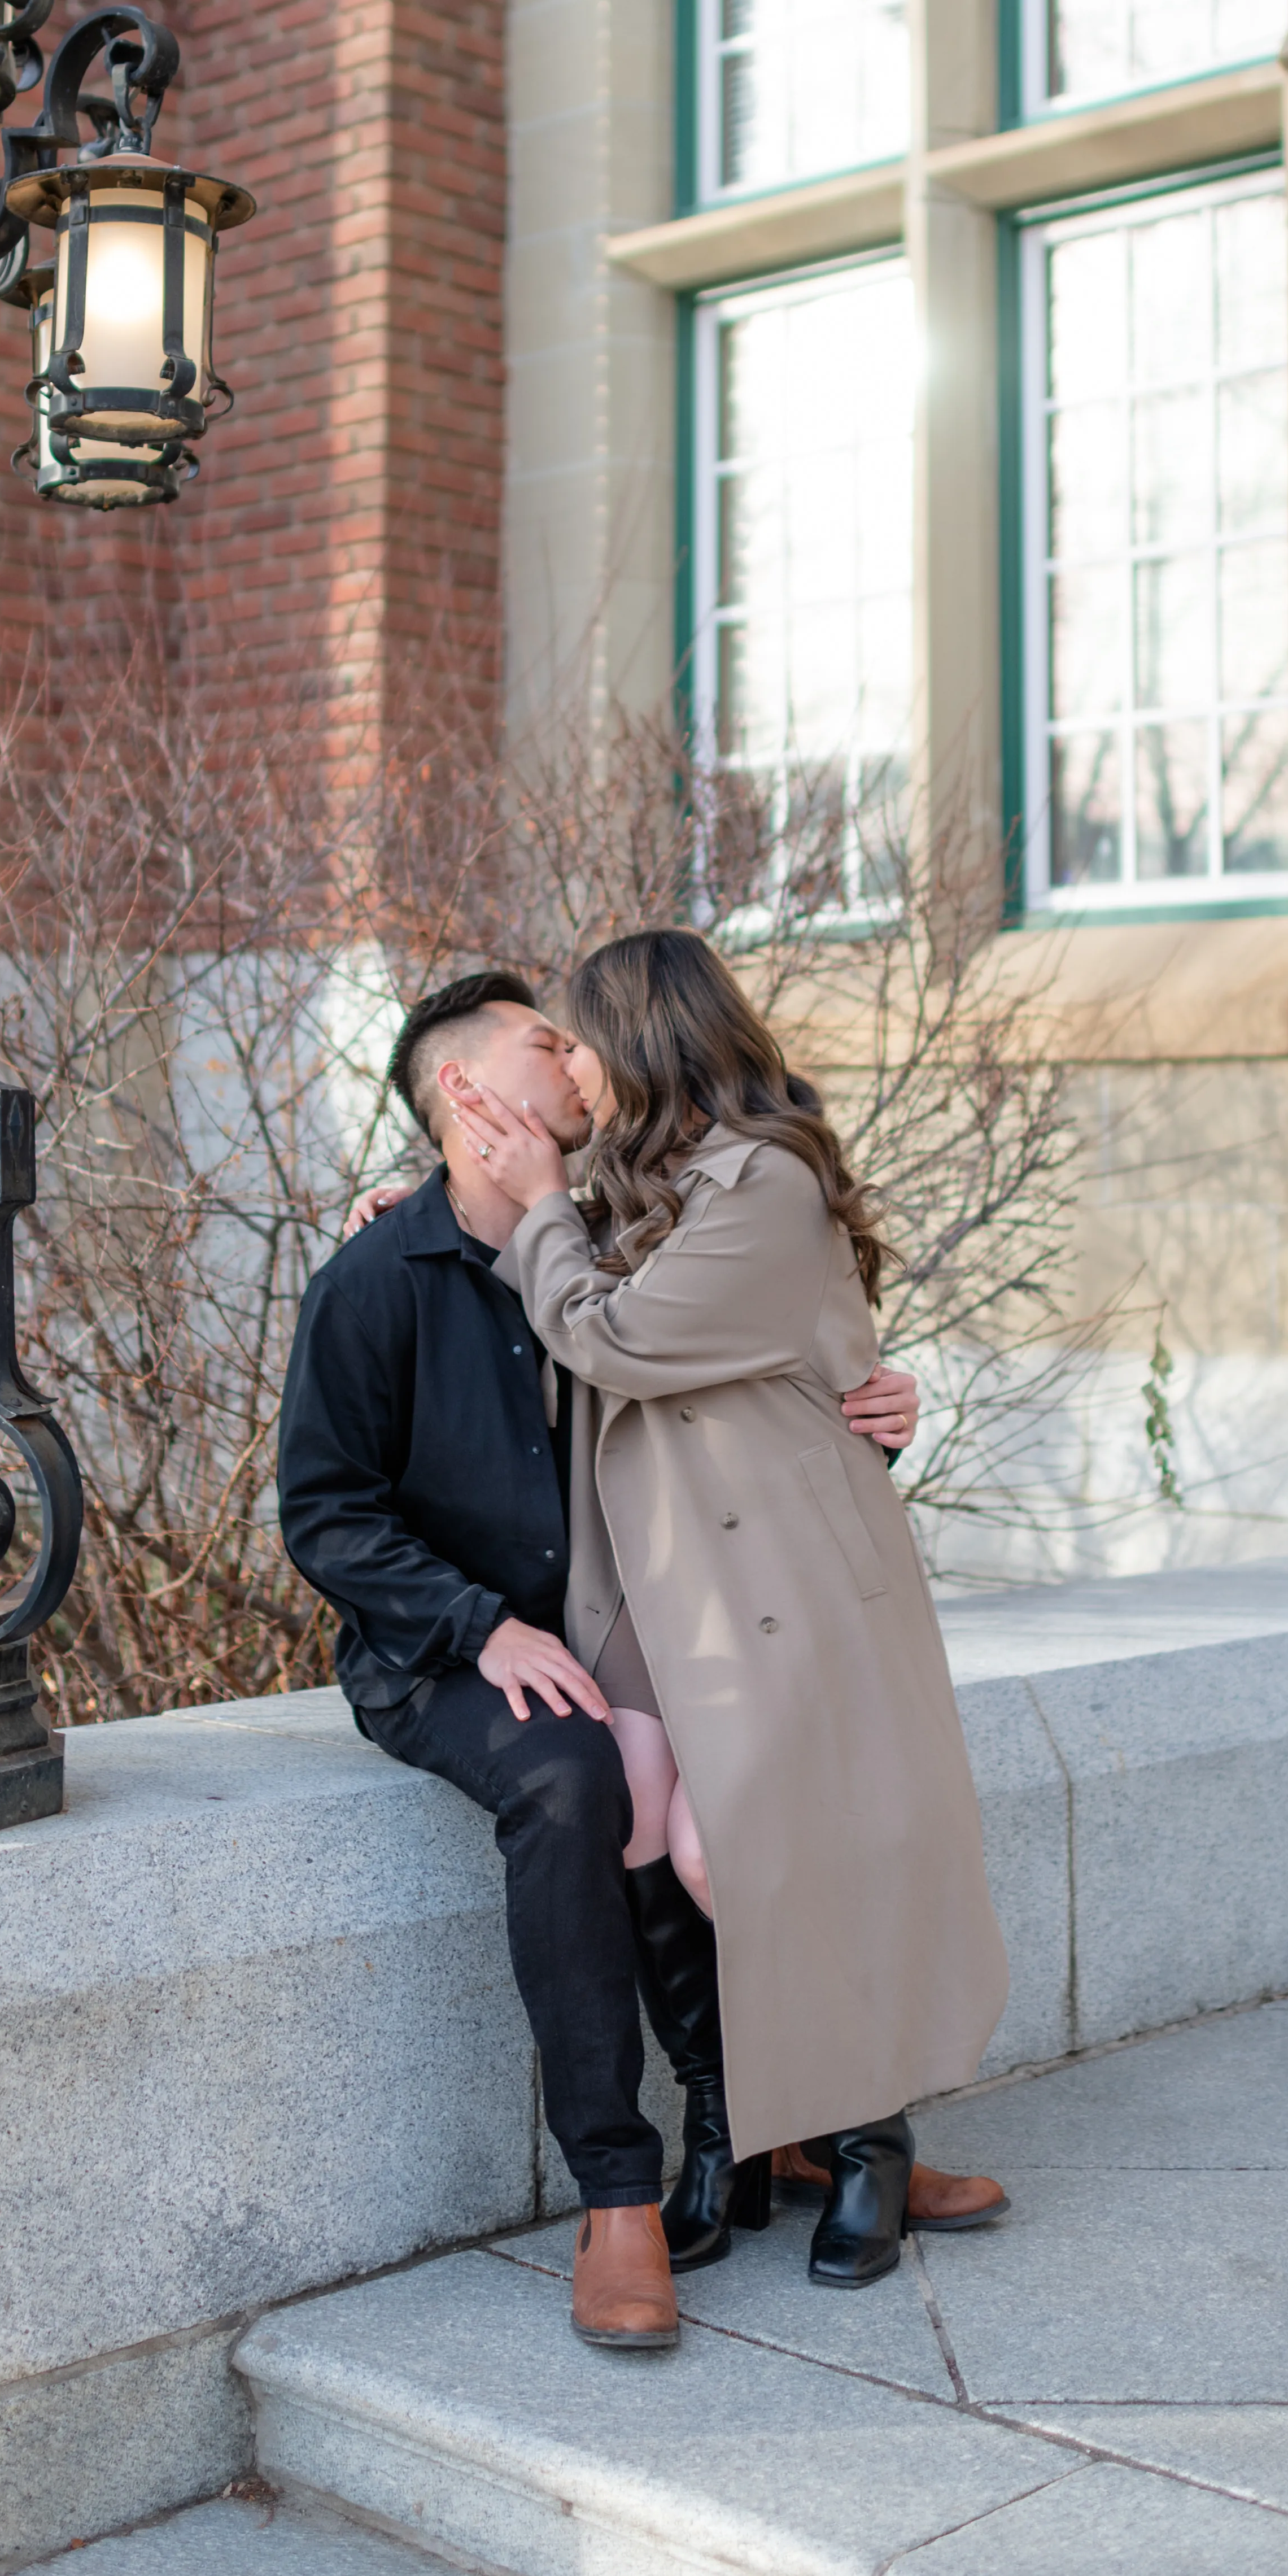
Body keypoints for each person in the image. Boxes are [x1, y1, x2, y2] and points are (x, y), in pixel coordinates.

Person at [274, 969, 934, 2352]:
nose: (578, 1060)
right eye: (542, 1043)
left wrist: (859, 1407)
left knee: (721, 1783)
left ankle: (792, 2126)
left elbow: (740, 1373)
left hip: (644, 1627)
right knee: (584, 1777)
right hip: (450, 1646)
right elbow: (326, 1512)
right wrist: (475, 1625)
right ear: (467, 1092)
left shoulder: (627, 1232)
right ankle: (620, 2192)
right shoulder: (376, 1276)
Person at [452, 926, 1011, 2295]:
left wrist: (536, 1208)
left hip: (774, 1572)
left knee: (740, 1845)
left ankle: (864, 2138)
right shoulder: (634, 1178)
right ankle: (731, 2134)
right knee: (646, 1820)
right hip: (646, 1569)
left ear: (642, 1040)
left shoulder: (763, 1178)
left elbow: (619, 1337)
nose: (567, 1067)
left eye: (578, 1039)